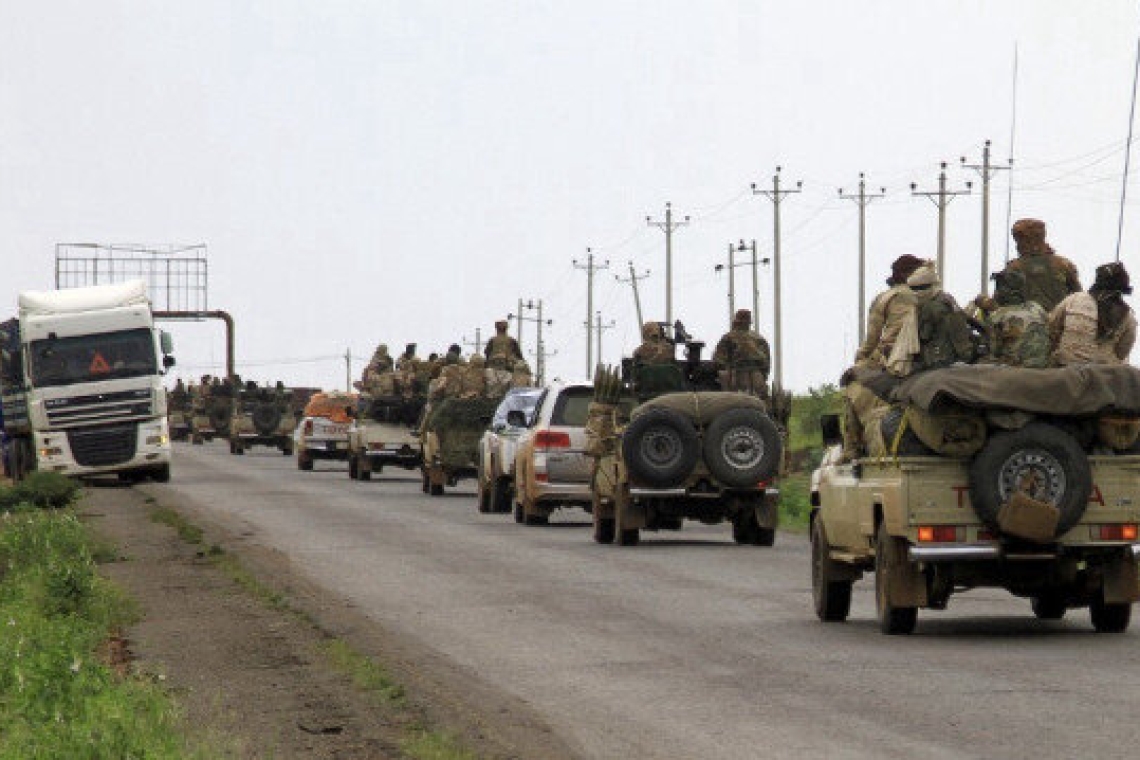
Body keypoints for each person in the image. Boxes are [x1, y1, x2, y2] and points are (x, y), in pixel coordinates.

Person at [888, 263, 979, 376]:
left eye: (920, 288)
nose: (916, 293)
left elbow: (924, 335)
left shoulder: (932, 307)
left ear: (929, 286)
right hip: (953, 355)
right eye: (913, 289)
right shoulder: (947, 300)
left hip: (938, 359)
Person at [1050, 262, 1137, 366]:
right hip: (1103, 375)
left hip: (1065, 368)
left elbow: (1052, 326)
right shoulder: (1128, 316)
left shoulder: (1074, 299)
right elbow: (1122, 353)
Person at [854, 254, 924, 368]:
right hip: (923, 354)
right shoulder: (927, 296)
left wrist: (860, 358)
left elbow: (872, 338)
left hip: (890, 355)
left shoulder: (883, 298)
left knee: (855, 379)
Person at [977, 270, 1051, 368]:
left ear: (1004, 292)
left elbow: (993, 352)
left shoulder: (997, 317)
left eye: (997, 288)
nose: (995, 293)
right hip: (1043, 366)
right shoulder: (1037, 308)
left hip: (1014, 372)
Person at [1005, 218, 1081, 312]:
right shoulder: (1064, 264)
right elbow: (1078, 297)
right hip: (1060, 323)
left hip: (1027, 324)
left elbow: (1002, 301)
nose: (1018, 245)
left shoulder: (1014, 267)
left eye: (1020, 239)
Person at [713, 309, 770, 397]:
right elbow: (766, 364)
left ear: (736, 321)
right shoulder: (760, 339)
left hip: (736, 378)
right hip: (757, 379)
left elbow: (718, 361)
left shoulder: (729, 337)